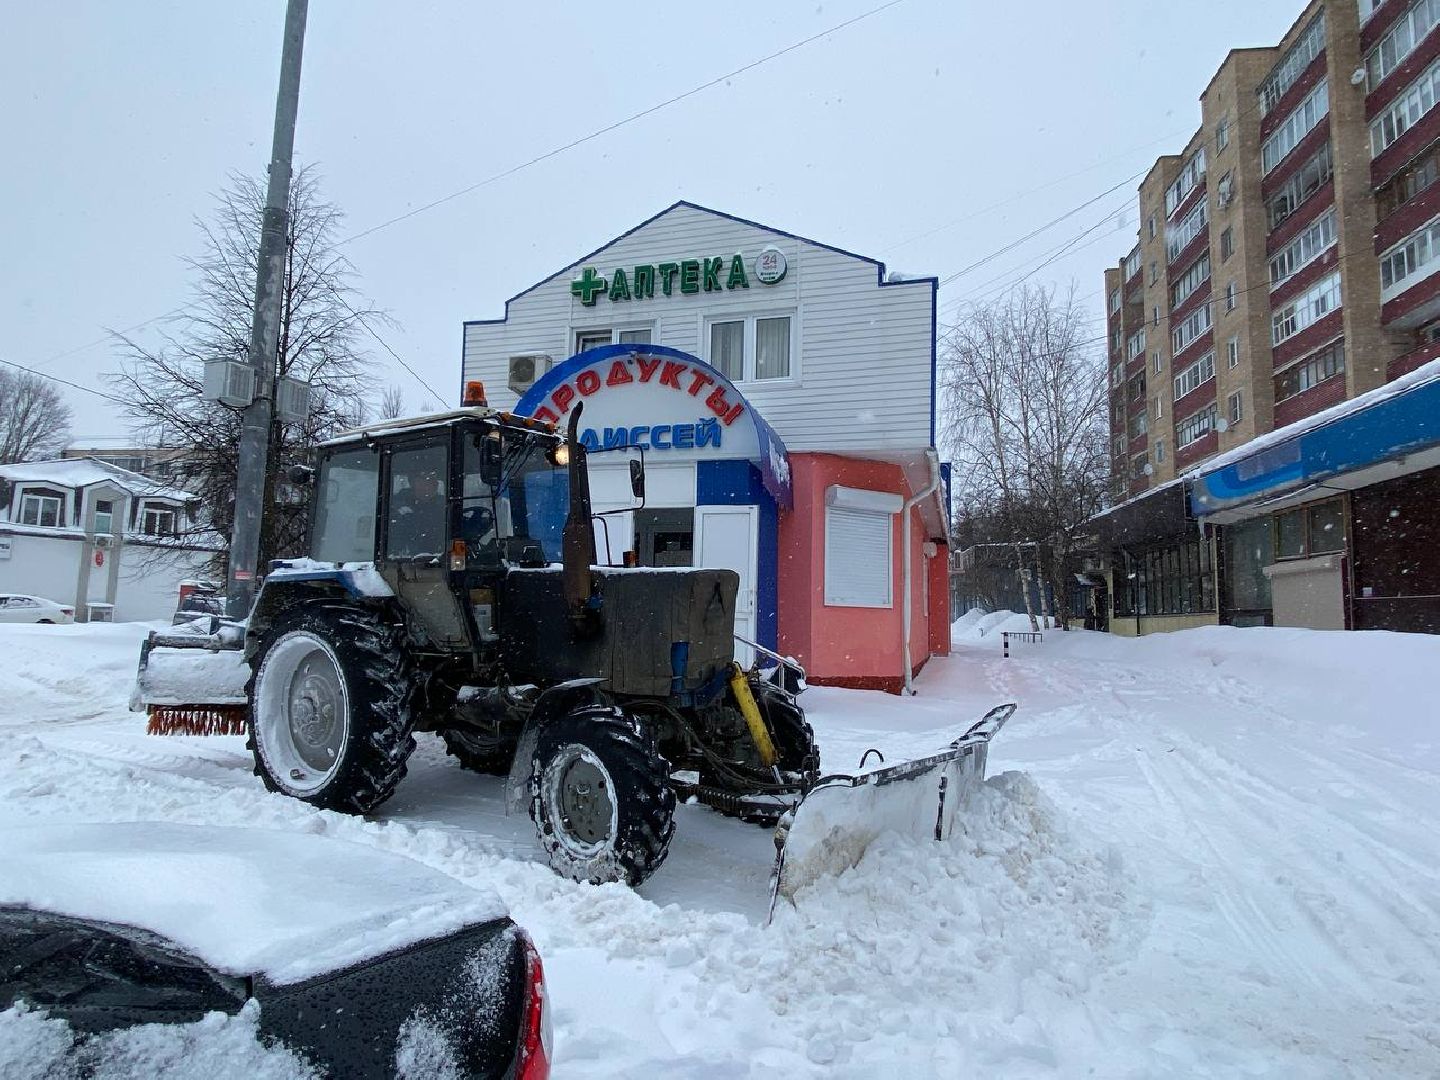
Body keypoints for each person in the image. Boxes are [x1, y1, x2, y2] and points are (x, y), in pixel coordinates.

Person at [388, 470, 445, 558]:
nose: (426, 487)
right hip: (405, 561)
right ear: (413, 484)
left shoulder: (444, 506)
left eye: (431, 483)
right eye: (422, 483)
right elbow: (394, 538)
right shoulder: (397, 506)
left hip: (440, 559)